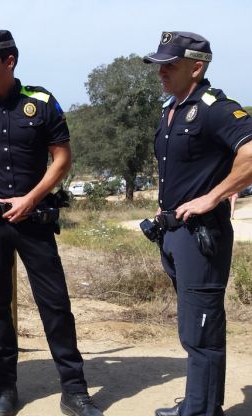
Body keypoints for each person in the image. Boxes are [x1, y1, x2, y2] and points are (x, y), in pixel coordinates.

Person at [0, 30, 102, 416]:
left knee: (55, 304)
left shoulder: (42, 102)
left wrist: (31, 198)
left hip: (34, 219)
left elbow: (62, 159)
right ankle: (5, 389)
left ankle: (75, 390)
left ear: (10, 60)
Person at [143, 32, 252, 416]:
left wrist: (214, 195)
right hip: (174, 235)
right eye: (160, 65)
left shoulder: (214, 108)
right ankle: (197, 404)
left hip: (202, 236)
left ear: (197, 67)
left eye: (170, 65)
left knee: (201, 330)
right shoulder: (170, 109)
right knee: (194, 327)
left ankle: (201, 411)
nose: (162, 72)